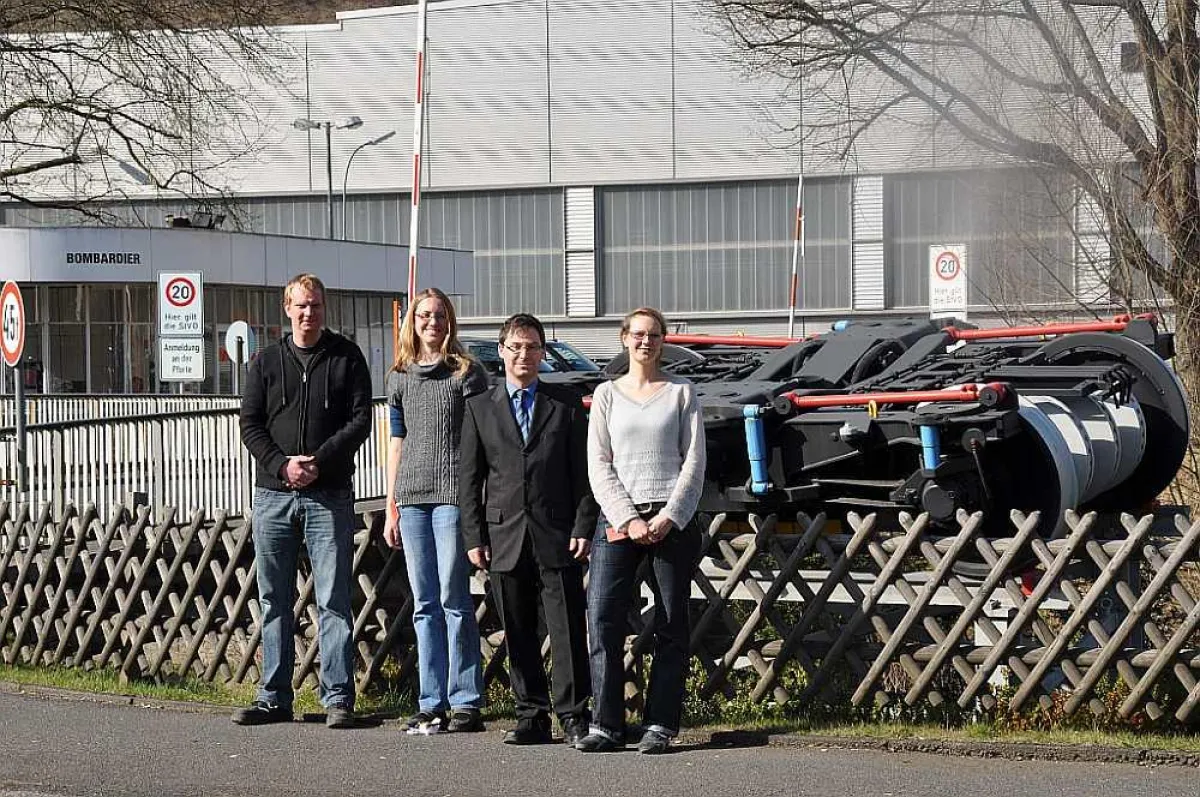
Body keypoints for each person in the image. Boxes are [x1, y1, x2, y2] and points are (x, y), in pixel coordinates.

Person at [235, 273, 373, 729]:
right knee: (274, 599)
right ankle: (274, 697)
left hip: (328, 493)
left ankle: (337, 697)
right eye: (301, 305)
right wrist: (281, 465)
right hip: (274, 496)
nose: (308, 313)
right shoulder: (266, 361)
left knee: (334, 600)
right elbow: (250, 424)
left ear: (323, 308)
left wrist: (319, 459)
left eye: (315, 305)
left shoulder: (346, 356)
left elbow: (359, 420)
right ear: (286, 309)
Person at [459, 313, 598, 746]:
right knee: (516, 629)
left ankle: (574, 714)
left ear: (543, 353)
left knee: (568, 629)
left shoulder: (566, 404)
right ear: (501, 352)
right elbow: (469, 478)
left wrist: (583, 524)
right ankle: (531, 715)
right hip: (504, 534)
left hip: (557, 532)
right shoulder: (480, 406)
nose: (524, 355)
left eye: (533, 347)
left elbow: (583, 474)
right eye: (516, 347)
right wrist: (474, 536)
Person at [576, 306, 706, 755]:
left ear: (664, 340)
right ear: (624, 339)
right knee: (603, 618)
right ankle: (606, 724)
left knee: (671, 623)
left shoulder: (682, 394)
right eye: (637, 334)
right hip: (619, 521)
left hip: (670, 521)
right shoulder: (607, 395)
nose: (645, 342)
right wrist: (628, 518)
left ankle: (660, 725)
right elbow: (598, 463)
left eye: (653, 335)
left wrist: (669, 516)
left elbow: (693, 462)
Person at [384, 287, 490, 735]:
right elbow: (396, 440)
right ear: (413, 321)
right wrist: (391, 503)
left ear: (450, 321)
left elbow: (480, 440)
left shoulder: (466, 373)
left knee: (454, 598)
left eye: (440, 314)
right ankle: (431, 700)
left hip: (451, 498)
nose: (432, 322)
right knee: (423, 602)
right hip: (411, 499)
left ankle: (465, 698)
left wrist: (475, 503)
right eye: (425, 315)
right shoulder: (399, 376)